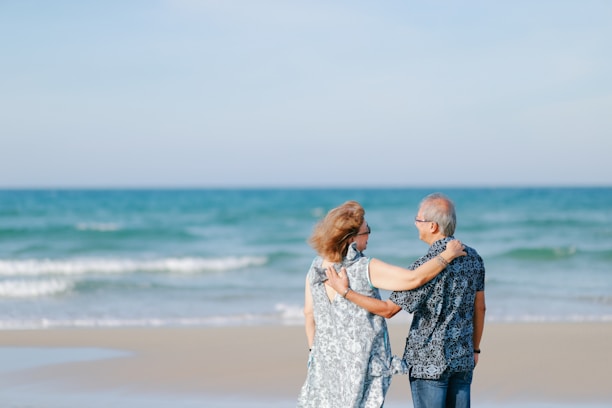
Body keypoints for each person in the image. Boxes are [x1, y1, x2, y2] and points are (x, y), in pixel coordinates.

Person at [297, 200, 466, 408]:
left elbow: (309, 314)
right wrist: (447, 255)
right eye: (366, 231)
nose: (369, 235)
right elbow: (413, 279)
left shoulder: (316, 266)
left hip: (324, 362)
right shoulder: (363, 267)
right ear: (351, 239)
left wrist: (315, 352)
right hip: (361, 364)